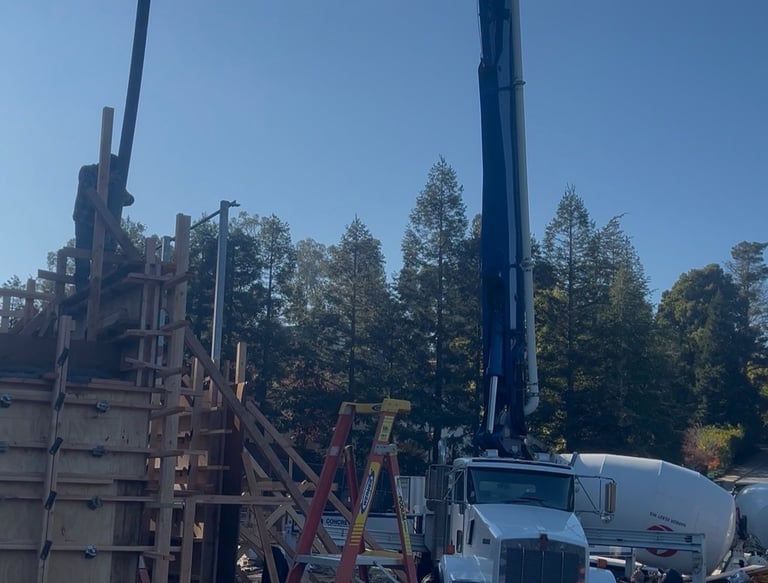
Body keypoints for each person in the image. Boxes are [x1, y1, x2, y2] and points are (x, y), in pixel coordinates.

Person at [72, 154, 134, 292]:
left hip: (102, 223)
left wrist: (120, 191)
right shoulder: (87, 171)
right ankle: (81, 285)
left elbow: (129, 200)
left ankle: (103, 282)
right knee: (83, 255)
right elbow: (88, 189)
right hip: (84, 220)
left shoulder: (112, 180)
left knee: (105, 255)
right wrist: (107, 182)